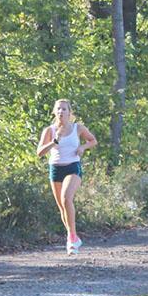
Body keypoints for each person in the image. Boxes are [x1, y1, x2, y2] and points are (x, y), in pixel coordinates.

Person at [37, 99, 97, 255]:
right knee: (62, 208)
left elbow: (93, 140)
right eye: (58, 109)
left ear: (70, 113)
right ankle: (74, 237)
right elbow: (39, 153)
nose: (61, 112)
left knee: (66, 197)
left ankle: (71, 239)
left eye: (64, 109)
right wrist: (53, 142)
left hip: (72, 167)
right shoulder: (49, 131)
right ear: (54, 112)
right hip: (55, 169)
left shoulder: (78, 128)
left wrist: (83, 147)